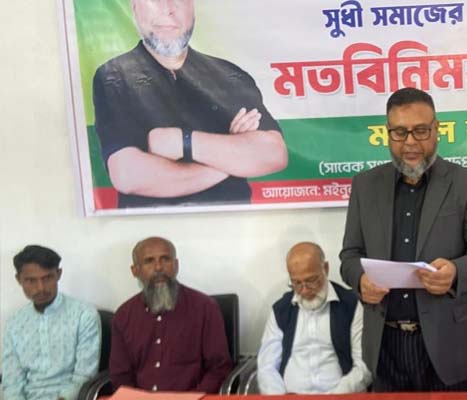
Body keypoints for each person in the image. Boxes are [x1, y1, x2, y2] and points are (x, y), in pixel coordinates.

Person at [339, 87, 467, 391]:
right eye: (400, 132)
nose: (410, 142)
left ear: (436, 129)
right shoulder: (365, 186)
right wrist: (360, 281)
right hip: (385, 346)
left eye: (421, 131)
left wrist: (455, 273)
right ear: (388, 133)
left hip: (449, 346)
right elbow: (349, 256)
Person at [93, 0, 287, 208]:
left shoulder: (230, 75)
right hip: (152, 225)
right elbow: (128, 176)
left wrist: (182, 142)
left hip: (231, 222)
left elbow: (274, 154)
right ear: (134, 7)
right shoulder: (114, 76)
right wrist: (230, 161)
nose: (167, 9)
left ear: (192, 7)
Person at [109, 237, 232, 392]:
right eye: (149, 261)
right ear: (135, 271)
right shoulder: (123, 316)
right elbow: (121, 375)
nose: (158, 267)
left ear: (176, 265)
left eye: (165, 259)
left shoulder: (205, 308)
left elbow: (219, 368)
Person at [257, 242, 372, 394]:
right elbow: (267, 367)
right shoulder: (281, 310)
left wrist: (335, 396)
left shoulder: (351, 305)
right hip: (290, 395)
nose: (305, 290)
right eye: (297, 283)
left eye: (311, 280)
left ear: (326, 269)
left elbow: (364, 365)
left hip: (339, 394)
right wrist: (281, 397)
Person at [2, 245, 100, 400]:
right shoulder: (14, 324)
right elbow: (12, 381)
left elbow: (84, 376)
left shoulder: (83, 315)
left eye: (47, 278)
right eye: (31, 280)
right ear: (19, 280)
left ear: (58, 274)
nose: (40, 288)